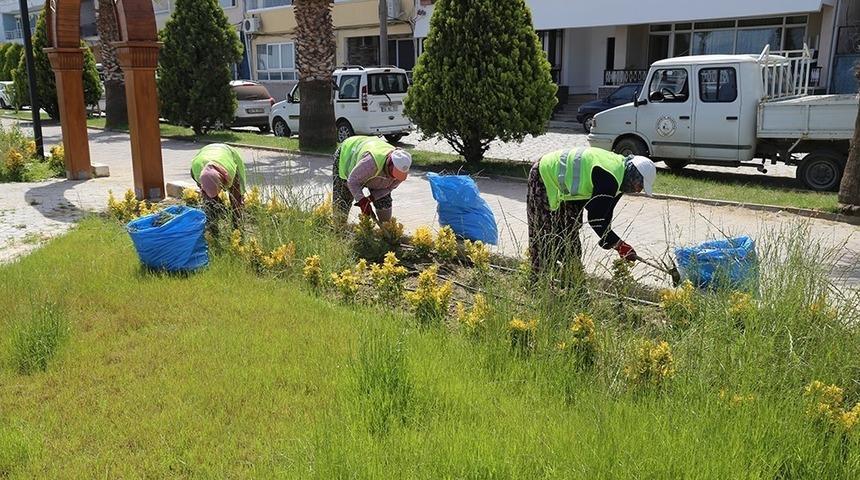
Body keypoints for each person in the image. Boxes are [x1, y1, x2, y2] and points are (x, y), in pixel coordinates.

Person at [526, 146, 656, 276]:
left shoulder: (620, 177)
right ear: (633, 175)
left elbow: (605, 214)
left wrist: (611, 241)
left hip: (568, 191)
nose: (638, 191)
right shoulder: (610, 178)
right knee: (544, 236)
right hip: (545, 174)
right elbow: (596, 219)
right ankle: (539, 284)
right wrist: (619, 245)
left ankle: (571, 283)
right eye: (640, 185)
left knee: (569, 238)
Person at [332, 135, 412, 224]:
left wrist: (371, 198)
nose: (394, 179)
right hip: (348, 152)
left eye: (398, 176)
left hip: (375, 169)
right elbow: (352, 181)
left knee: (384, 202)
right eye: (393, 175)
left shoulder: (402, 169)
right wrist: (362, 201)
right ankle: (338, 228)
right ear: (389, 164)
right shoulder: (370, 163)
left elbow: (388, 188)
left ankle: (386, 227)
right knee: (343, 197)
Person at [190, 143, 247, 230]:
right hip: (205, 153)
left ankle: (237, 228)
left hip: (228, 152)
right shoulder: (196, 172)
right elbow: (207, 194)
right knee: (210, 203)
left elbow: (236, 196)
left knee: (236, 201)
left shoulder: (230, 173)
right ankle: (213, 226)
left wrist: (236, 212)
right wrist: (214, 201)